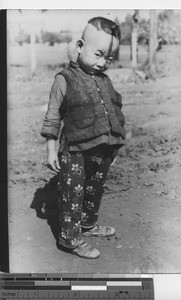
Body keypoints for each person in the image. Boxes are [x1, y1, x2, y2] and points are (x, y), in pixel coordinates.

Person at [41, 17, 126, 259]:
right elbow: (53, 116)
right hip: (75, 151)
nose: (103, 63)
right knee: (72, 194)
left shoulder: (105, 80)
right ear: (80, 46)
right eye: (98, 54)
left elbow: (115, 112)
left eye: (109, 58)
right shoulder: (64, 78)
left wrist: (115, 147)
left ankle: (87, 226)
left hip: (103, 150)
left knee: (94, 190)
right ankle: (70, 238)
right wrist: (51, 149)